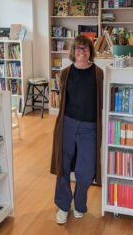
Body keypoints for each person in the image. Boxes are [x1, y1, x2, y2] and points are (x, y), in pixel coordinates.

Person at [50, 35, 104, 224]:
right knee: (63, 167)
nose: (82, 52)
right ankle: (64, 206)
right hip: (68, 125)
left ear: (91, 51)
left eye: (86, 48)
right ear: (73, 51)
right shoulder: (65, 73)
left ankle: (80, 204)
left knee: (86, 170)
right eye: (79, 48)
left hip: (89, 127)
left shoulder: (98, 73)